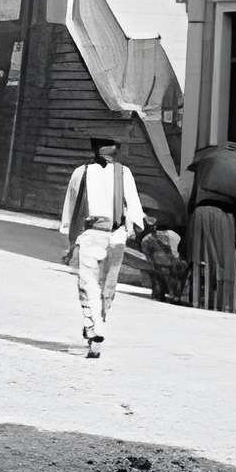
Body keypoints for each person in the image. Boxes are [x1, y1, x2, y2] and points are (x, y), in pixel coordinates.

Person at [59, 134, 144, 357]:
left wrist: (67, 242)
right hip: (116, 236)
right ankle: (97, 324)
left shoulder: (81, 172)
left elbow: (70, 208)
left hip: (91, 234)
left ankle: (94, 327)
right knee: (108, 285)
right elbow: (135, 209)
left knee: (88, 284)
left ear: (94, 150)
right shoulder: (124, 173)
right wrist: (130, 227)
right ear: (115, 150)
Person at [188, 185, 236, 312]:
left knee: (199, 257)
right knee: (224, 260)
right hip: (223, 216)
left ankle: (196, 297)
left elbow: (192, 198)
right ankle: (222, 302)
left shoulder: (203, 168)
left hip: (200, 212)